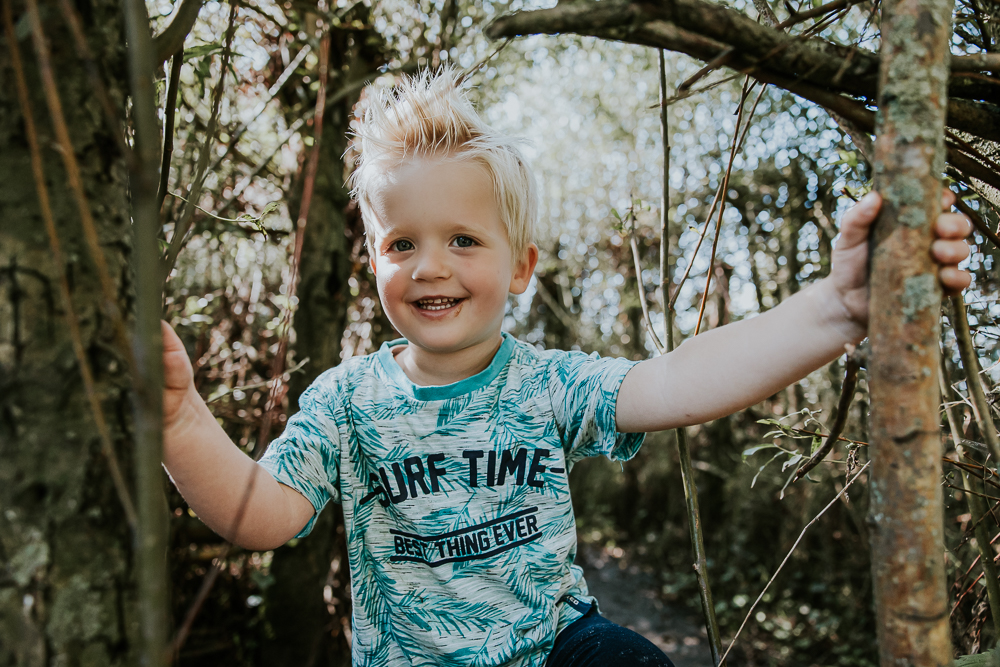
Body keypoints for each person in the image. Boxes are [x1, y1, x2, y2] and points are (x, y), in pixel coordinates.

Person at [161, 69, 973, 667]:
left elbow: (680, 380)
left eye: (464, 240)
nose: (431, 266)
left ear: (521, 267)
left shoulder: (545, 383)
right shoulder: (347, 400)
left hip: (556, 649)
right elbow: (258, 514)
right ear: (372, 261)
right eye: (401, 243)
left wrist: (833, 308)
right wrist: (180, 419)